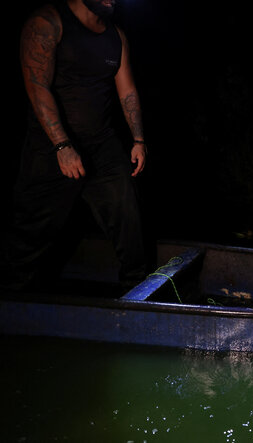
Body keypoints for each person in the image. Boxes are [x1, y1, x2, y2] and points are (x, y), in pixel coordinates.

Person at [3, 0, 147, 290]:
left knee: (129, 219)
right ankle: (12, 302)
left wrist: (138, 139)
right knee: (30, 235)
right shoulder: (48, 22)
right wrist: (61, 145)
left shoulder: (115, 37)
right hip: (52, 148)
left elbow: (127, 90)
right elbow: (36, 85)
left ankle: (139, 294)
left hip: (102, 145)